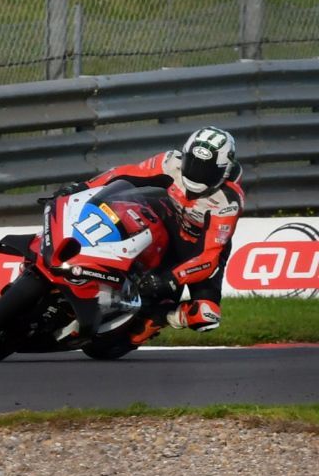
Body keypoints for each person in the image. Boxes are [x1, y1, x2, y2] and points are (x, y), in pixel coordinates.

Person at [71, 125, 242, 335]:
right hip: (166, 220)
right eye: (193, 163)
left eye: (206, 169)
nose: (197, 174)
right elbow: (125, 172)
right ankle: (91, 259)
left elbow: (209, 257)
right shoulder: (171, 162)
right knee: (121, 206)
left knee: (206, 316)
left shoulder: (228, 201)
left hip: (197, 249)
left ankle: (165, 315)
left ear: (224, 170)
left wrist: (171, 278)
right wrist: (84, 187)